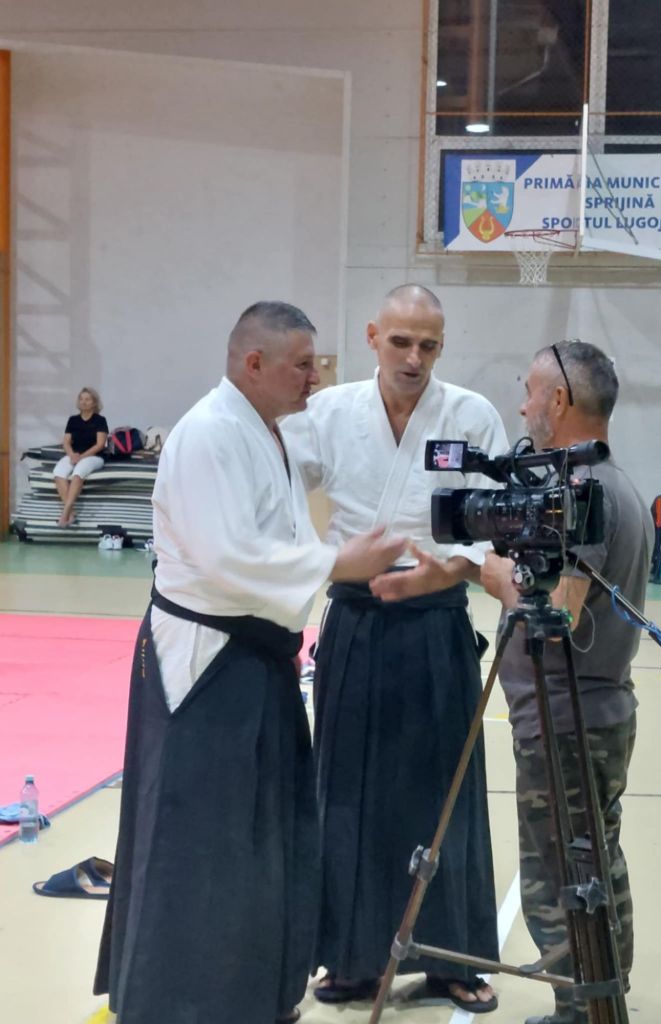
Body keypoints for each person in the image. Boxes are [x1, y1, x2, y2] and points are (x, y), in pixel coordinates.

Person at [93, 301, 407, 1024]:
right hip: (205, 663)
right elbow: (227, 558)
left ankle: (252, 993)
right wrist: (336, 563)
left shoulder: (271, 431)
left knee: (262, 836)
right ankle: (181, 1003)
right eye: (302, 364)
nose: (314, 377)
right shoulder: (209, 433)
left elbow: (279, 536)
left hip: (256, 658)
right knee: (202, 838)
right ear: (254, 363)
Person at [281, 284, 508, 1014]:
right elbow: (277, 489)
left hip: (438, 621)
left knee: (447, 792)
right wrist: (313, 558)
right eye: (401, 342)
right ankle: (353, 958)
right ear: (373, 336)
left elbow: (499, 525)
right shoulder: (328, 412)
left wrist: (455, 568)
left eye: (428, 345)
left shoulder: (471, 415)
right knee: (347, 792)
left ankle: (452, 957)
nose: (414, 358)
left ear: (442, 346)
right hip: (356, 616)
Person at [480, 340, 654, 1024]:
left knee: (560, 879)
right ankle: (603, 998)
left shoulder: (582, 495)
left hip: (567, 721)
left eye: (530, 391)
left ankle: (582, 1010)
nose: (523, 405)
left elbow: (561, 611)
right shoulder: (614, 483)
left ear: (558, 400)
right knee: (596, 864)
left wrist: (497, 577)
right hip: (591, 715)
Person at [53, 386, 109, 525]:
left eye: (87, 399)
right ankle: (72, 513)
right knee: (59, 473)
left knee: (78, 473)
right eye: (81, 399)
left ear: (94, 402)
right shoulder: (73, 420)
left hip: (94, 456)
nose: (84, 402)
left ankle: (65, 513)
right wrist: (72, 455)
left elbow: (100, 444)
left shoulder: (100, 420)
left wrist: (81, 457)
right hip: (75, 454)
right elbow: (66, 442)